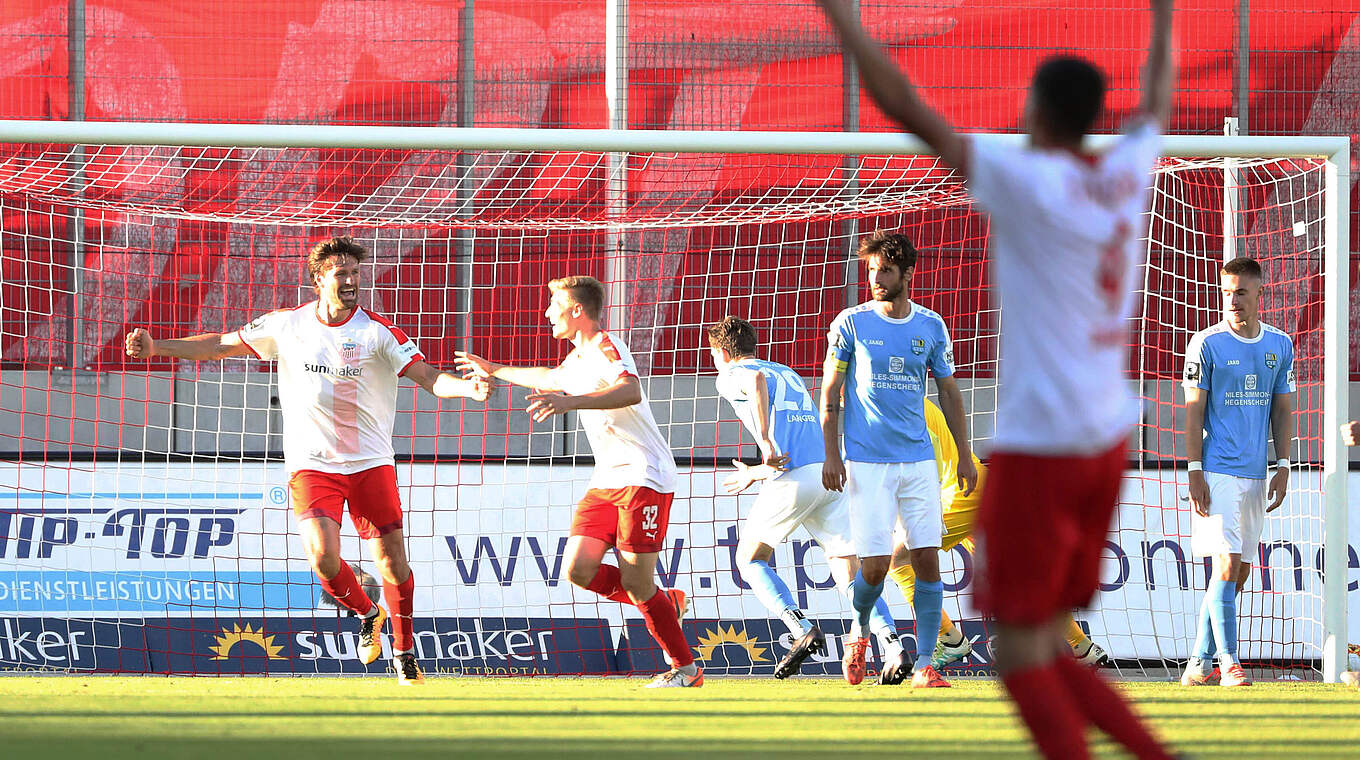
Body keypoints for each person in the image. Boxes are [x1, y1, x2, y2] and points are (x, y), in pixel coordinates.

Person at [816, 0, 1176, 756]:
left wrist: (840, 18)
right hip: (1109, 436)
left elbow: (903, 105)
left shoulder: (1026, 177)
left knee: (1017, 650)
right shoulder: (1127, 167)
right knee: (1039, 639)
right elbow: (1159, 95)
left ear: (1036, 113)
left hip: (1043, 444)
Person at [124, 236, 489, 685]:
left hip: (371, 462)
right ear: (319, 280)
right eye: (341, 273)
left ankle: (405, 652)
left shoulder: (378, 332)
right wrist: (159, 348)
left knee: (393, 562)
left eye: (355, 272)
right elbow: (220, 345)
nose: (351, 280)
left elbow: (430, 378)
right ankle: (367, 612)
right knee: (323, 559)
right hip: (313, 464)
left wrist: (468, 388)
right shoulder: (287, 325)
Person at [454, 276, 697, 688]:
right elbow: (548, 378)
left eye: (554, 306)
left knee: (638, 583)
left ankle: (685, 669)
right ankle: (664, 603)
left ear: (577, 312)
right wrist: (495, 369)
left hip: (644, 476)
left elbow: (631, 390)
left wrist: (571, 402)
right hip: (606, 480)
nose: (547, 313)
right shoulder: (576, 359)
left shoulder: (606, 346)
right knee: (578, 570)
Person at [820, 231, 978, 689]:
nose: (875, 278)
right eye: (870, 271)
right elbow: (830, 392)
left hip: (919, 463)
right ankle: (858, 628)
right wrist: (833, 454)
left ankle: (926, 663)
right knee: (874, 568)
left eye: (884, 270)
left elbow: (949, 391)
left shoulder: (931, 326)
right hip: (868, 464)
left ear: (907, 273)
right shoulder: (850, 323)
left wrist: (965, 456)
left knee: (927, 558)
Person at [707, 315, 902, 681]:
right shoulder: (788, 372)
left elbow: (754, 381)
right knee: (848, 570)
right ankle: (893, 645)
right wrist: (756, 471)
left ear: (721, 351)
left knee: (750, 560)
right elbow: (803, 437)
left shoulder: (732, 374)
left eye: (713, 353)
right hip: (829, 475)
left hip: (795, 478)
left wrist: (763, 442)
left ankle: (800, 630)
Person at [887, 400, 1113, 672]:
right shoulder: (908, 395)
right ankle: (1083, 647)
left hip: (957, 495)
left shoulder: (892, 402)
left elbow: (916, 463)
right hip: (973, 484)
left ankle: (949, 640)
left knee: (896, 560)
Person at [1180, 257, 1295, 688]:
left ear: (1260, 294)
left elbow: (1282, 411)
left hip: (1257, 473)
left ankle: (1198, 660)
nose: (1232, 300)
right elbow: (1193, 413)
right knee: (1226, 565)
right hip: (1217, 470)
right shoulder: (1205, 343)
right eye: (1226, 292)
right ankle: (1229, 663)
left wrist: (1283, 464)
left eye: (1241, 292)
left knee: (1239, 573)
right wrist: (1194, 471)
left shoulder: (1280, 345)